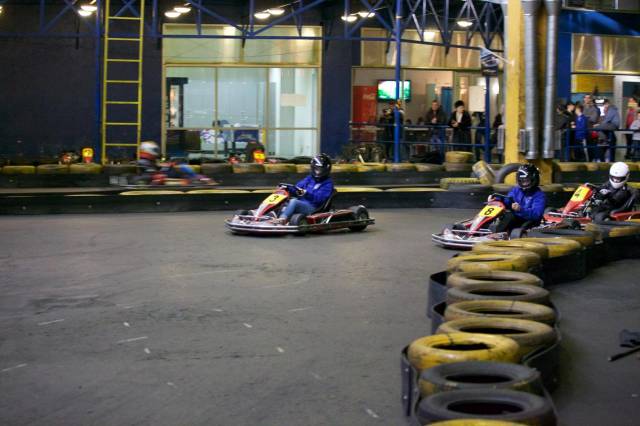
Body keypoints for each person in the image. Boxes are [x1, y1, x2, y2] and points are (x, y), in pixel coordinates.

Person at [276, 154, 335, 224]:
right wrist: (287, 188)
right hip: (302, 203)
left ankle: (282, 219)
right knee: (284, 202)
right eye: (316, 169)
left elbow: (319, 199)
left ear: (326, 169)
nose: (318, 172)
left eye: (320, 169)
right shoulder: (309, 178)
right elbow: (297, 188)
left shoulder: (328, 183)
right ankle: (269, 216)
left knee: (294, 202)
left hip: (314, 208)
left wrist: (306, 193)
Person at [488, 164, 546, 233]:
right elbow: (508, 200)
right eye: (522, 181)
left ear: (534, 179)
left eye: (526, 181)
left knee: (510, 216)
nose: (524, 183)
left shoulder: (539, 195)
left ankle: (497, 234)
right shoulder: (516, 190)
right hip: (515, 217)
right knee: (501, 213)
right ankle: (481, 229)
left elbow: (536, 214)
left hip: (527, 220)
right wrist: (496, 199)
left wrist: (520, 209)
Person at [136, 141, 213, 185]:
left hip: (157, 178)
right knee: (180, 170)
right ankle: (197, 178)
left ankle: (197, 178)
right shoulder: (142, 163)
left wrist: (168, 165)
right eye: (155, 150)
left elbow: (156, 168)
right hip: (151, 183)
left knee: (180, 167)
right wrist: (155, 176)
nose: (157, 153)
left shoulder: (150, 162)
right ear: (148, 150)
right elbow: (147, 175)